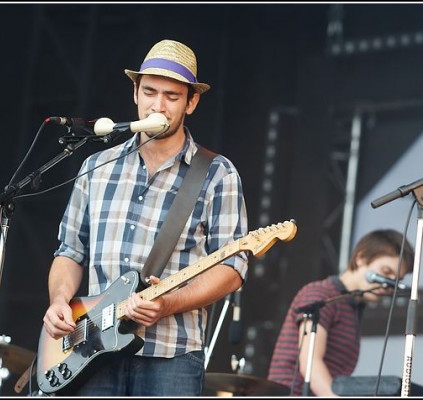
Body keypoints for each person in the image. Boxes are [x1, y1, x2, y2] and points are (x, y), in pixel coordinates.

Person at [41, 39, 248, 396]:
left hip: (172, 356)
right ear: (135, 92)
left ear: (191, 102)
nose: (158, 105)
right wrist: (59, 301)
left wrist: (169, 303)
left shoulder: (217, 174)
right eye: (150, 91)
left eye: (172, 96)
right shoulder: (96, 166)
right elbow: (70, 251)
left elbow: (232, 269)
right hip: (91, 351)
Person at [267, 229, 415, 396]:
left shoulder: (353, 308)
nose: (388, 284)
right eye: (386, 272)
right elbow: (311, 365)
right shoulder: (322, 294)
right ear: (360, 258)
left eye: (396, 280)